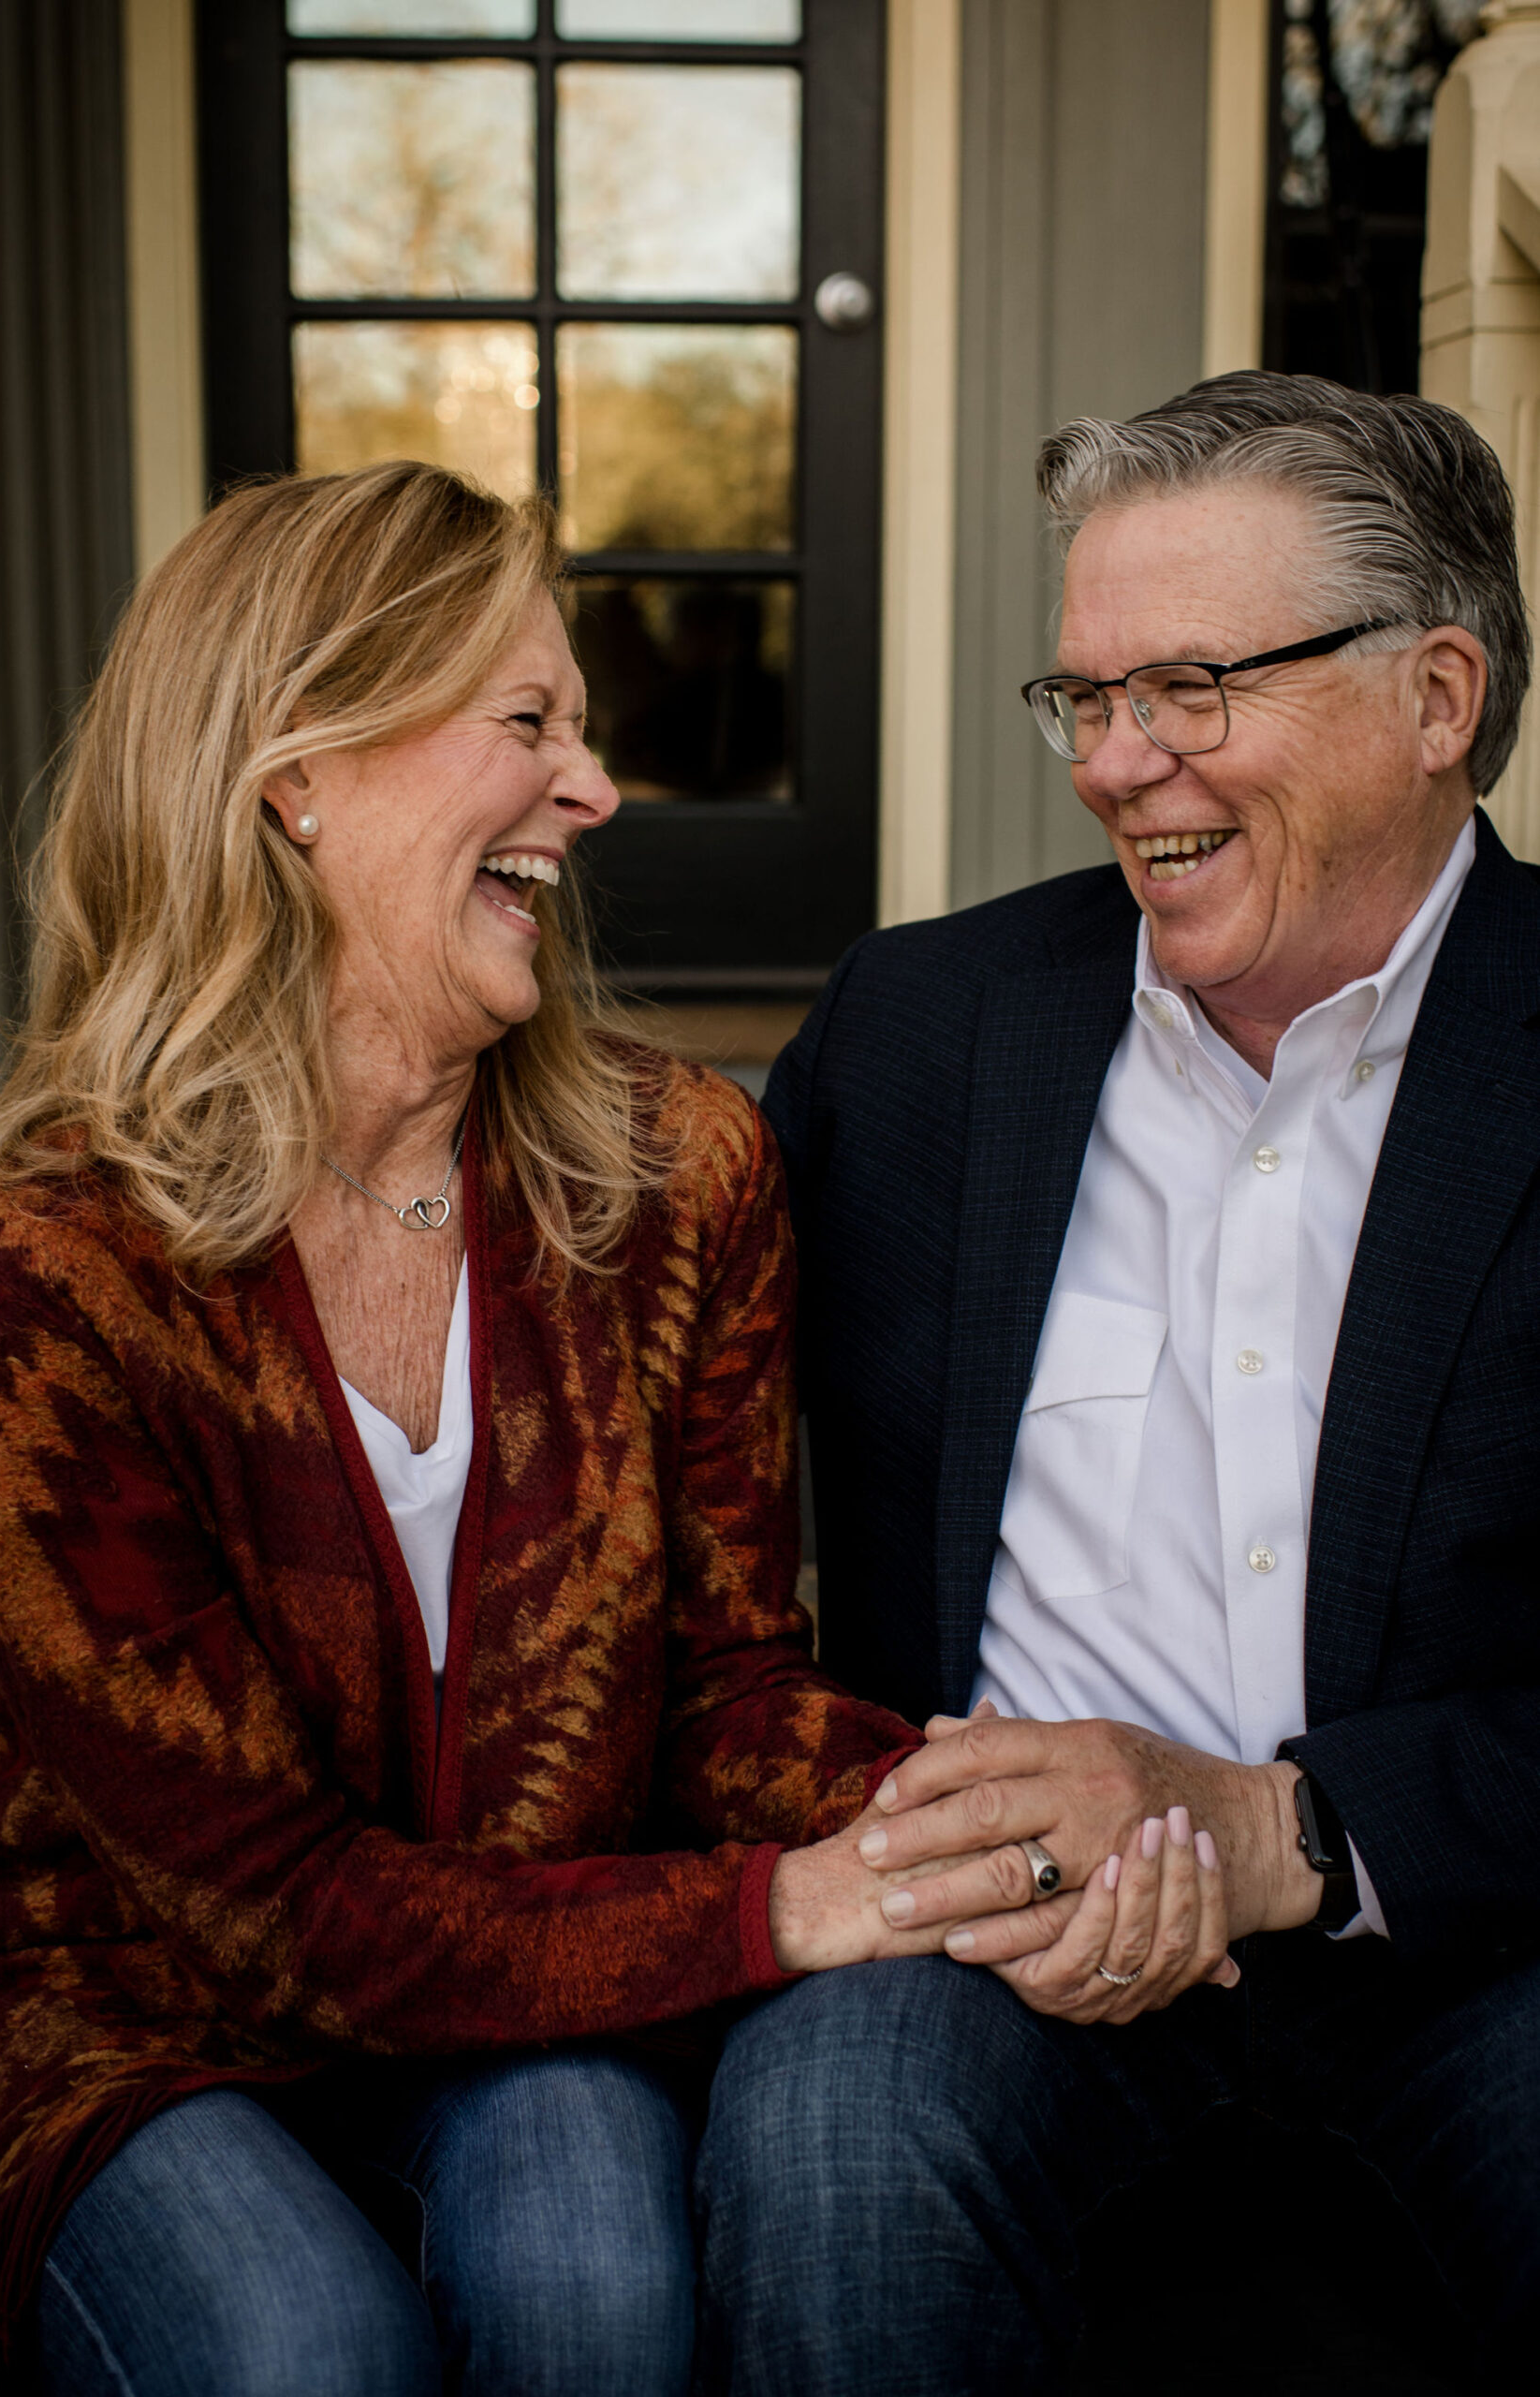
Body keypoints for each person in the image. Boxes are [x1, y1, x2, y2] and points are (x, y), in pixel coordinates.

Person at [0, 462, 1149, 2397]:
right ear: (295, 776)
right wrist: (790, 1903)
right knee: (296, 2345)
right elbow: (273, 1913)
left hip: (552, 1951)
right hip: (138, 2000)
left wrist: (1015, 1820)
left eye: (580, 729)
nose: (593, 790)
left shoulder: (672, 1174)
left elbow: (730, 1690)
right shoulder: (51, 1273)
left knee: (595, 2284)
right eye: (529, 723)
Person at [697, 372, 1540, 2391]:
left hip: (1470, 1934)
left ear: (1434, 693)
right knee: (825, 2141)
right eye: (1081, 697)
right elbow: (618, 1337)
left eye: (1184, 683)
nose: (1114, 762)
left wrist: (1288, 1831)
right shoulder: (924, 1025)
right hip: (1002, 1930)